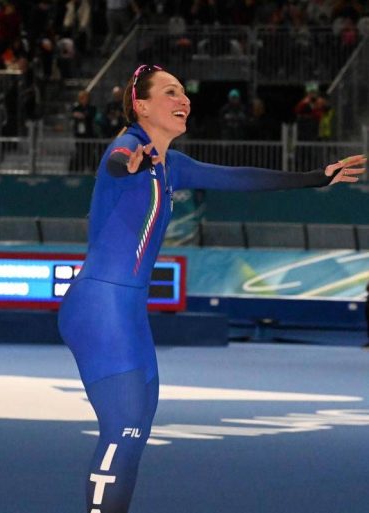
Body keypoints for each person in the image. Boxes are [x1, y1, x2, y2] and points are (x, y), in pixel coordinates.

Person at [57, 64, 365, 513]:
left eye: (184, 92)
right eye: (170, 92)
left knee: (135, 429)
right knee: (123, 428)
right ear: (141, 106)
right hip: (100, 307)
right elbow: (118, 162)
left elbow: (239, 177)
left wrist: (316, 177)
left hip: (125, 313)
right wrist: (130, 162)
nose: (183, 99)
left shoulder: (173, 166)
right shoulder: (130, 145)